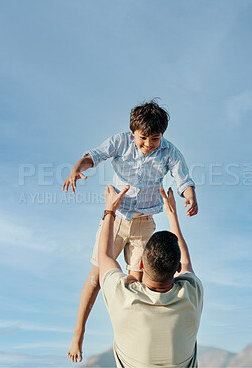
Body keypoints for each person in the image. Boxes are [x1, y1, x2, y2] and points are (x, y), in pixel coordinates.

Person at [63, 100, 198, 362]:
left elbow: (183, 178)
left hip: (145, 221)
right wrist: (77, 168)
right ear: (132, 132)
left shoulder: (169, 151)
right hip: (117, 217)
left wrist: (190, 195)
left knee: (137, 280)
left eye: (155, 138)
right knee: (97, 276)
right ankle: (78, 332)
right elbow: (95, 155)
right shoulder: (121, 142)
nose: (148, 143)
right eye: (143, 138)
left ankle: (131, 337)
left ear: (163, 135)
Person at [98, 185, 203, 367]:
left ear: (140, 264)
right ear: (177, 268)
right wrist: (172, 215)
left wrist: (110, 210)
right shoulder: (192, 294)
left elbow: (105, 257)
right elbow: (186, 262)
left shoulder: (123, 296)